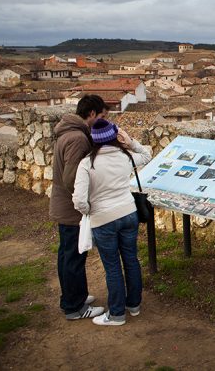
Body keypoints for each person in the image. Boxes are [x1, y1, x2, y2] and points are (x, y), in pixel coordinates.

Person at [73, 119, 152, 326]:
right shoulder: (125, 156)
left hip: (103, 218)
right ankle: (133, 305)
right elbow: (147, 155)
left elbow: (79, 200)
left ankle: (116, 314)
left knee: (113, 267)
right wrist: (130, 141)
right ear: (114, 136)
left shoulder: (87, 163)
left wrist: (90, 211)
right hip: (128, 213)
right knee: (131, 259)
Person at [50, 94, 107, 320]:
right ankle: (75, 307)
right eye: (101, 116)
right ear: (91, 114)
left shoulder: (67, 132)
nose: (103, 121)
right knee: (73, 256)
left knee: (67, 255)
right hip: (71, 208)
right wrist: (87, 200)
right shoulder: (78, 139)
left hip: (62, 205)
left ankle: (72, 298)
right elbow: (72, 178)